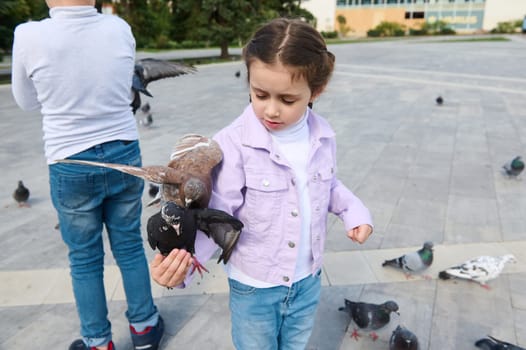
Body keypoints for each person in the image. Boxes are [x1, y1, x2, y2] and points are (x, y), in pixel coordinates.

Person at [150, 17, 373, 349]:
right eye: (259, 94)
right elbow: (217, 216)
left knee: (295, 344)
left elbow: (328, 184)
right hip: (255, 286)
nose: (271, 110)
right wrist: (184, 266)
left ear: (316, 90)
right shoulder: (232, 144)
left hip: (307, 279)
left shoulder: (323, 136)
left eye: (287, 100)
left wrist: (354, 211)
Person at [11, 1, 168, 349]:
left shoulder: (28, 35)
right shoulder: (119, 28)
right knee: (128, 247)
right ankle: (145, 328)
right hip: (124, 153)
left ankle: (98, 342)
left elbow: (26, 102)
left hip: (70, 161)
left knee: (84, 258)